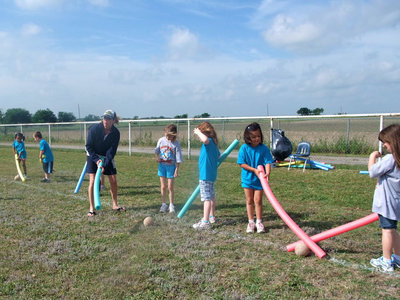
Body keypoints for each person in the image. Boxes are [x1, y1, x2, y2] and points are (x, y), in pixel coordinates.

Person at [368, 124, 400, 272]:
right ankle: (398, 258)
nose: (384, 146)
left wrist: (372, 157)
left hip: (387, 204)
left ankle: (387, 262)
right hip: (396, 202)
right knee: (393, 230)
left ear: (393, 141)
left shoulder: (390, 159)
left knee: (387, 231)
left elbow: (373, 172)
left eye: (385, 143)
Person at [85, 109, 125, 217]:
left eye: (108, 119)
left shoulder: (116, 133)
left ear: (113, 120)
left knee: (113, 180)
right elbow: (88, 146)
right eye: (104, 118)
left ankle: (115, 204)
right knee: (93, 181)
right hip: (92, 155)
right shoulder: (94, 129)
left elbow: (111, 151)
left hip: (106, 157)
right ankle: (92, 209)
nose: (105, 121)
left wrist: (105, 164)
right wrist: (97, 161)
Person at [237, 122, 274, 233]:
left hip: (260, 180)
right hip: (248, 179)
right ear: (248, 137)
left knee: (258, 200)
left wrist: (267, 173)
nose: (256, 139)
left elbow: (268, 161)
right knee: (249, 201)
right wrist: (254, 170)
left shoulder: (264, 149)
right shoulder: (244, 148)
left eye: (258, 136)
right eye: (253, 137)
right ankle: (251, 222)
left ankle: (259, 222)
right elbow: (241, 163)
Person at [192, 122, 220, 230]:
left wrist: (198, 132)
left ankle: (205, 221)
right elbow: (218, 155)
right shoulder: (213, 145)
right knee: (212, 196)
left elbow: (205, 140)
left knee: (206, 199)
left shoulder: (208, 143)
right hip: (211, 175)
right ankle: (212, 216)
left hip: (205, 176)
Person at [154, 124, 183, 213]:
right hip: (162, 167)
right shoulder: (161, 140)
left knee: (170, 187)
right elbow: (156, 151)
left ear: (174, 135)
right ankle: (164, 204)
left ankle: (171, 205)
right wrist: (157, 157)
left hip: (171, 167)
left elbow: (178, 158)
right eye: (166, 134)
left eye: (169, 135)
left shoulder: (176, 144)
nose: (167, 137)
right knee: (163, 186)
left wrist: (177, 170)